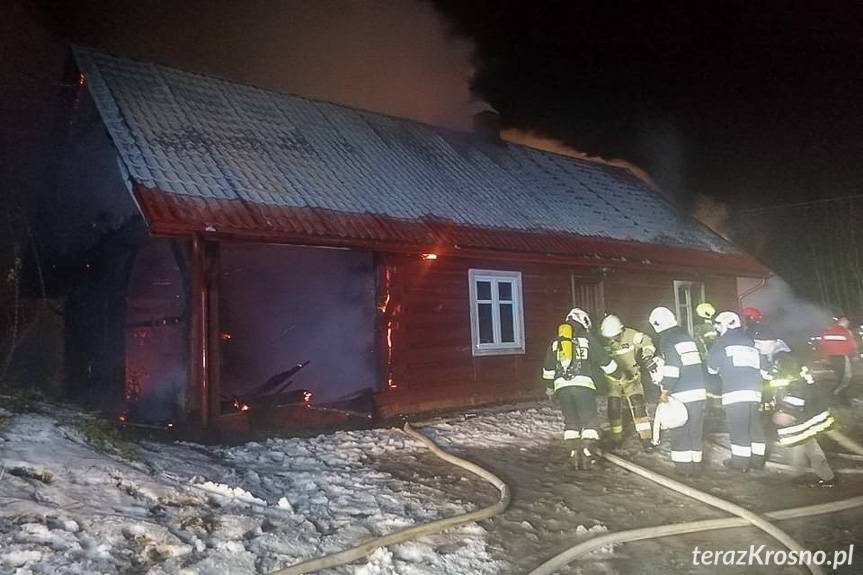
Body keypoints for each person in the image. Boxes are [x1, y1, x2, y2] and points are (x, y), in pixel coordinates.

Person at [543, 308, 621, 470]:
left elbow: (548, 368)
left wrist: (550, 388)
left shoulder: (556, 341)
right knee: (589, 420)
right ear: (584, 322)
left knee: (571, 420)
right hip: (583, 385)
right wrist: (618, 374)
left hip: (561, 387)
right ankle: (588, 454)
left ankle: (573, 454)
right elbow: (603, 360)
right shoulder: (587, 338)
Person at [648, 306, 707, 476]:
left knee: (679, 429)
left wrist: (666, 389)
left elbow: (673, 368)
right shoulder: (685, 336)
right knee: (695, 430)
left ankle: (683, 469)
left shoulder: (668, 339)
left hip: (682, 392)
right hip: (698, 390)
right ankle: (696, 467)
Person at [706, 311, 766, 471]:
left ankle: (740, 463)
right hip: (755, 391)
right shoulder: (749, 341)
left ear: (724, 324)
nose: (717, 329)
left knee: (738, 428)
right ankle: (758, 461)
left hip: (735, 392)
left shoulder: (722, 342)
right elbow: (763, 367)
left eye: (718, 325)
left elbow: (712, 368)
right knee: (754, 426)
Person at [770, 354, 836, 487]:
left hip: (802, 422)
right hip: (811, 419)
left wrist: (781, 413)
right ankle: (821, 477)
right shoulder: (804, 377)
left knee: (802, 445)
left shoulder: (796, 384)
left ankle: (818, 478)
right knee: (807, 445)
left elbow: (789, 411)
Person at [599, 314, 657, 451]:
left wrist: (647, 356)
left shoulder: (632, 335)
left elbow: (647, 342)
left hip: (632, 378)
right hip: (612, 380)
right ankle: (616, 438)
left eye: (615, 337)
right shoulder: (601, 341)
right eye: (609, 338)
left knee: (638, 406)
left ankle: (646, 439)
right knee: (614, 408)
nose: (612, 340)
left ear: (621, 331)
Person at [817, 316, 857, 403]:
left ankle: (842, 398)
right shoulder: (846, 331)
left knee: (840, 377)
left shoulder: (827, 331)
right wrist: (854, 355)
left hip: (832, 358)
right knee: (846, 378)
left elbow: (822, 346)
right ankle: (834, 394)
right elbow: (851, 345)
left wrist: (824, 358)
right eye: (847, 323)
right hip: (842, 357)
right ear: (845, 322)